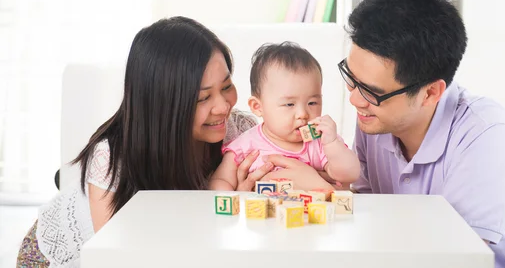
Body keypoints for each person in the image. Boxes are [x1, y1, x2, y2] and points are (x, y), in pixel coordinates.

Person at [17, 17, 331, 268]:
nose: (223, 106)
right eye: (203, 98)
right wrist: (227, 205)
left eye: (227, 86)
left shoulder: (243, 132)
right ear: (165, 104)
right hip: (69, 257)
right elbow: (120, 258)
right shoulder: (114, 157)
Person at [344, 0, 505, 268]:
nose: (355, 99)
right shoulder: (375, 117)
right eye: (350, 77)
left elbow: (454, 261)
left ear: (431, 92)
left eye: (371, 91)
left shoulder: (488, 137)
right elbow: (369, 219)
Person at [210, 42, 360, 191]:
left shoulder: (321, 143)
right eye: (289, 105)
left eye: (312, 102)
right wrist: (233, 200)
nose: (303, 114)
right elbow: (221, 180)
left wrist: (332, 142)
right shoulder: (245, 145)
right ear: (258, 107)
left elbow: (349, 175)